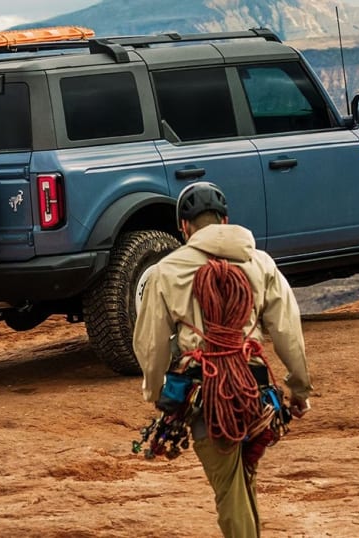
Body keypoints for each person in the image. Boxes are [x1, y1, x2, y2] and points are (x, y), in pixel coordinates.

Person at [133, 182, 312, 538]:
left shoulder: (167, 271)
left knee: (230, 489)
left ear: (184, 227)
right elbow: (288, 330)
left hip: (205, 395)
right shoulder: (260, 263)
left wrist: (155, 392)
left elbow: (150, 344)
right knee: (242, 481)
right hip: (255, 394)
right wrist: (300, 389)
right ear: (225, 220)